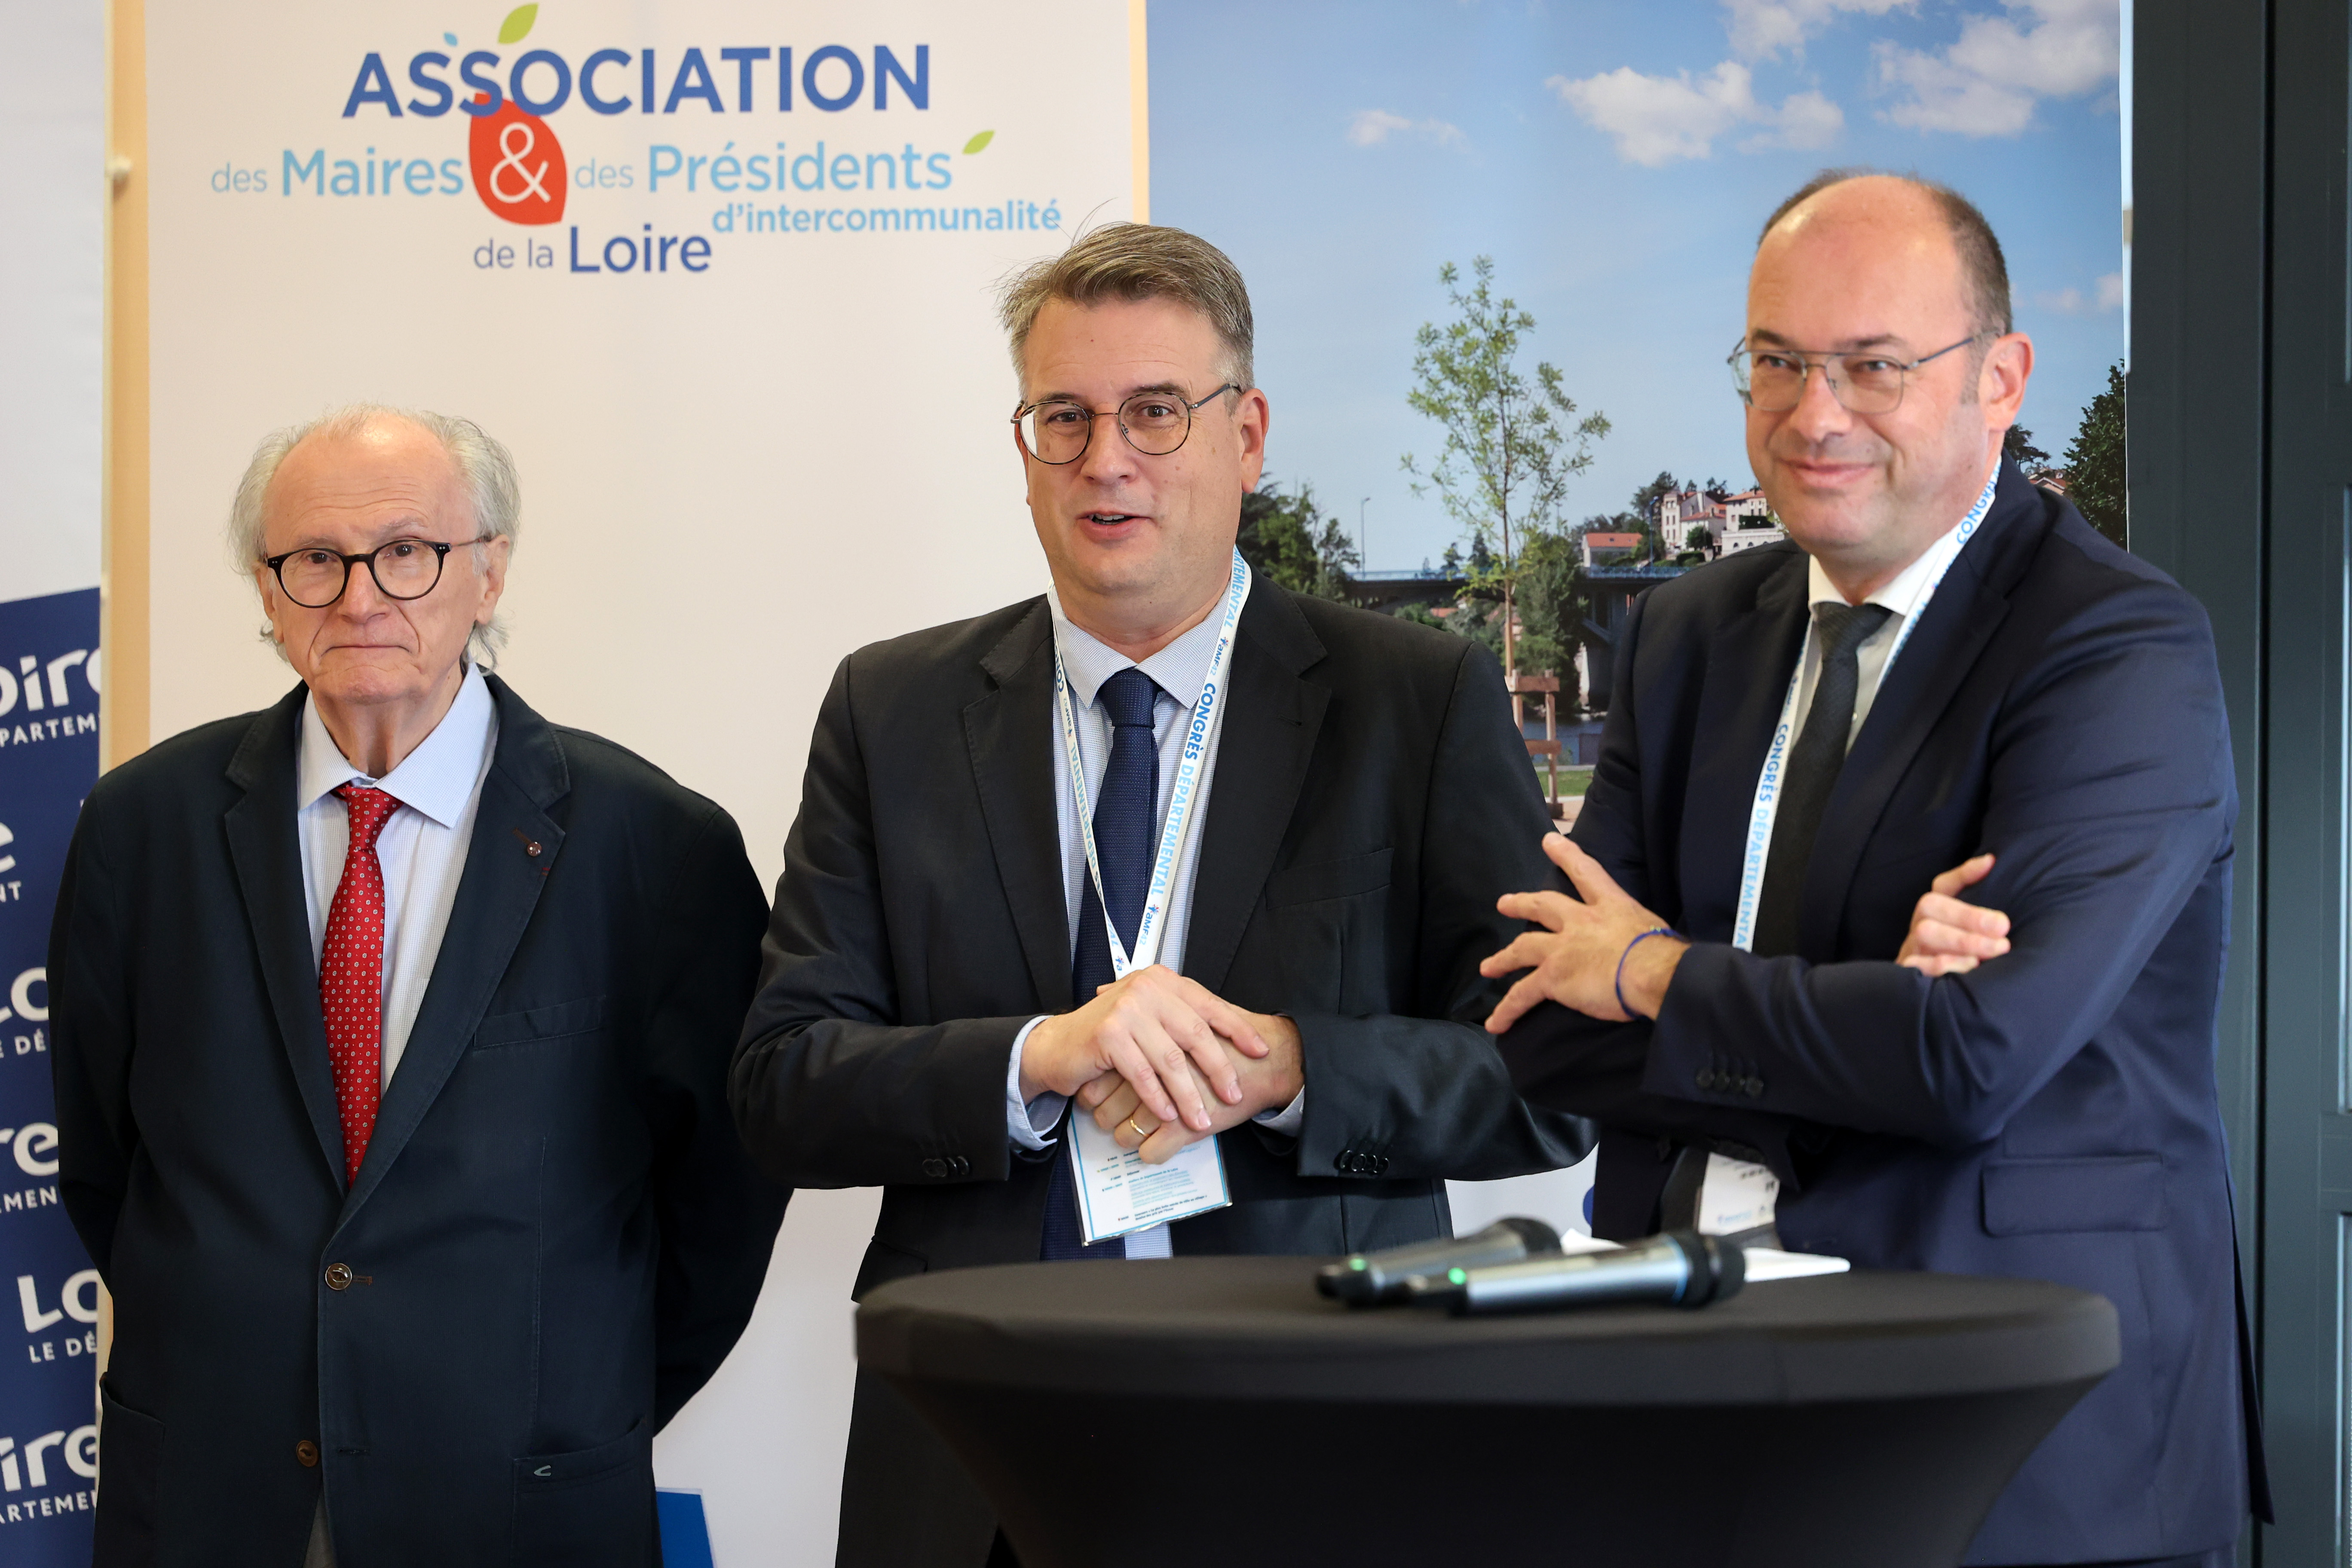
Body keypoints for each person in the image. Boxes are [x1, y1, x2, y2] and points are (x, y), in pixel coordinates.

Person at [730, 222, 1590, 1568]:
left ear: (1246, 435)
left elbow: (1549, 1081)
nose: (1105, 460)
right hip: (976, 1449)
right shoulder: (892, 710)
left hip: (1322, 1442)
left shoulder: (1411, 704)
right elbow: (786, 1083)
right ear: (1023, 447)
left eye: (1154, 413)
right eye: (1063, 417)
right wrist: (1035, 1058)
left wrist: (1294, 1068)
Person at [1482, 171, 2266, 1566]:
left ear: (2001, 378)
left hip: (2009, 1443)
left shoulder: (2116, 649)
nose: (1814, 412)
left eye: (1875, 365)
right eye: (1777, 361)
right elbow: (1540, 1017)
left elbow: (1972, 1060)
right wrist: (1860, 1018)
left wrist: (1656, 974)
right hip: (1685, 1406)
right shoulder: (1691, 630)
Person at [49, 407, 788, 1566]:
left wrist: (564, 1397)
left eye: (408, 551)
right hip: (211, 1491)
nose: (359, 597)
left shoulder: (654, 846)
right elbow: (105, 1161)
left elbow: (725, 1199)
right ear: (265, 587)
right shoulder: (142, 827)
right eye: (314, 561)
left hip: (520, 1492)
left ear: (489, 570)